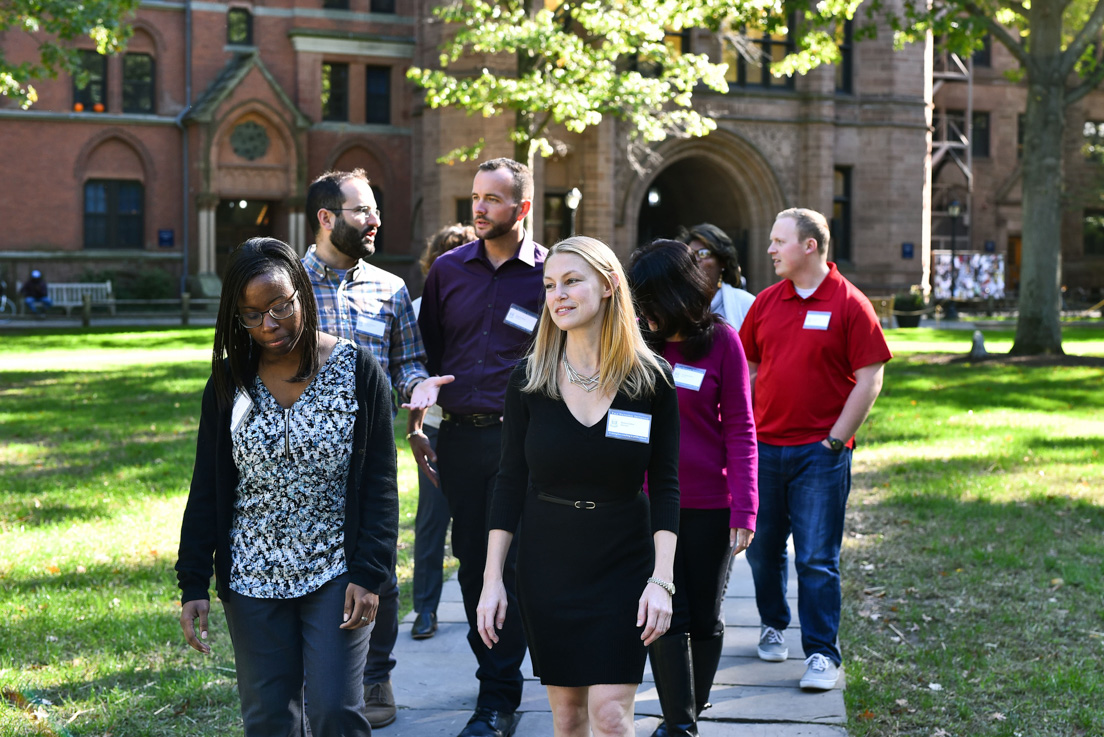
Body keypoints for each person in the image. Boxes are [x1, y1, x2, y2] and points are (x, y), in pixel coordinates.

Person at [175, 237, 399, 737]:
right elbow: (207, 486)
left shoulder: (359, 371)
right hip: (252, 574)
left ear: (303, 290)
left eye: (280, 307)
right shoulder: (230, 382)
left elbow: (381, 483)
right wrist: (193, 581)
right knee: (269, 718)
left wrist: (370, 572)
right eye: (252, 316)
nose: (269, 325)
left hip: (335, 570)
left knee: (335, 712)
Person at [477, 235, 680, 737]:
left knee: (611, 717)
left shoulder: (651, 379)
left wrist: (662, 580)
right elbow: (508, 482)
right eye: (549, 285)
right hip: (549, 563)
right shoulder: (529, 378)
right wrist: (492, 578)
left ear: (609, 285)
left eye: (572, 281)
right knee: (567, 720)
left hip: (623, 561)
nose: (558, 295)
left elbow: (669, 485)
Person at [302, 169, 452, 727]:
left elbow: (408, 361)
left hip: (370, 460)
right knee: (306, 568)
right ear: (326, 217)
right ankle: (310, 675)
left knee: (378, 566)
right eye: (363, 211)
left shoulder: (390, 289)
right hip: (298, 461)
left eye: (375, 211)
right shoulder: (286, 284)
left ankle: (375, 676)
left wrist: (419, 387)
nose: (376, 221)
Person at [407, 158, 543, 737]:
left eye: (492, 198)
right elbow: (426, 359)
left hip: (529, 443)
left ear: (523, 208)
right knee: (471, 562)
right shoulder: (446, 271)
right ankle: (498, 676)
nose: (479, 208)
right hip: (460, 438)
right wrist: (419, 421)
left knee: (513, 564)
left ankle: (498, 696)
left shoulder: (550, 274)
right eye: (475, 197)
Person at [739, 208, 891, 691]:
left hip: (819, 455)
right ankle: (772, 624)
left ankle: (823, 654)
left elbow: (871, 377)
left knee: (816, 559)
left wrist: (834, 439)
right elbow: (748, 368)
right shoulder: (765, 303)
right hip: (764, 449)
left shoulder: (849, 303)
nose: (770, 249)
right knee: (762, 552)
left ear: (809, 246)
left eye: (779, 241)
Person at [628, 240, 758, 737]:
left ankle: (690, 709)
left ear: (678, 293)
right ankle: (679, 723)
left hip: (709, 503)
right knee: (666, 611)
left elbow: (741, 430)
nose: (642, 310)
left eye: (650, 297)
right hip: (647, 503)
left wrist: (745, 508)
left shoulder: (723, 341)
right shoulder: (637, 341)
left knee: (704, 616)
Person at [409, 223, 476, 640]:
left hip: (479, 432)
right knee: (432, 524)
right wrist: (416, 428)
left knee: (480, 528)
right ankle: (425, 609)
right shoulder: (419, 308)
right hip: (435, 430)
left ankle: (483, 609)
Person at [685, 224, 755, 331]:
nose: (696, 259)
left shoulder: (746, 304)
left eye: (704, 253)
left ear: (722, 261)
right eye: (691, 254)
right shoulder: (677, 303)